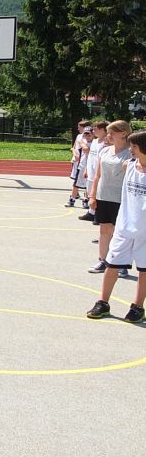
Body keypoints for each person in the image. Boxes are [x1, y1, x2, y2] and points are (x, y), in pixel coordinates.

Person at [86, 128, 146, 323]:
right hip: (124, 226)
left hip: (144, 230)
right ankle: (103, 302)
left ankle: (137, 306)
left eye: (134, 146)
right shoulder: (129, 165)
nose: (131, 149)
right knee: (111, 264)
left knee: (143, 270)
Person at [86, 121, 132, 274]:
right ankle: (102, 261)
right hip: (103, 196)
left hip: (122, 198)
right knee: (104, 230)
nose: (108, 136)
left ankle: (122, 264)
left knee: (121, 232)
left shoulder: (131, 153)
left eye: (112, 133)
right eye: (108, 132)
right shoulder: (105, 151)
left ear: (124, 133)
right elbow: (97, 176)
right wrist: (92, 196)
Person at [79, 121, 108, 222]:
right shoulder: (95, 142)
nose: (93, 130)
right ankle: (91, 213)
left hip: (99, 173)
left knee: (98, 194)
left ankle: (97, 215)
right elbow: (90, 157)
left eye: (96, 128)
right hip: (91, 172)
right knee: (91, 193)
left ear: (103, 130)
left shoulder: (107, 143)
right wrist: (87, 169)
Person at [67, 126, 93, 208]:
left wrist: (81, 142)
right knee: (76, 184)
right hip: (82, 166)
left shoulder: (94, 143)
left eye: (89, 134)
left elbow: (87, 149)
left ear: (92, 134)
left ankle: (86, 200)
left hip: (91, 167)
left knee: (88, 185)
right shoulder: (83, 141)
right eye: (85, 135)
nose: (87, 136)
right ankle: (72, 199)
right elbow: (76, 149)